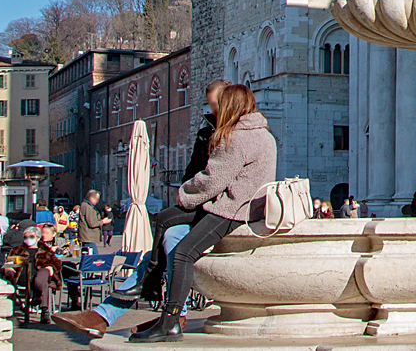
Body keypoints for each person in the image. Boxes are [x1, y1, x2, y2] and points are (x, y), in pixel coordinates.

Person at [57, 83, 276, 343]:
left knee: (178, 247)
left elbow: (212, 180)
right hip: (223, 205)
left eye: (217, 105)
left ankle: (170, 316)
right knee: (163, 223)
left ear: (230, 104)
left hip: (228, 209)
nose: (213, 111)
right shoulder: (256, 133)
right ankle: (138, 299)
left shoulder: (236, 137)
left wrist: (183, 194)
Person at [3, 225, 62, 324]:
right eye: (26, 237)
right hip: (23, 276)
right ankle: (43, 309)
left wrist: (51, 267)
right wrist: (9, 268)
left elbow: (57, 263)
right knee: (44, 284)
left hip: (40, 277)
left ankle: (40, 303)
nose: (28, 239)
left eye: (31, 237)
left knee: (44, 273)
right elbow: (8, 263)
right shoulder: (18, 250)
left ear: (38, 238)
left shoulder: (45, 250)